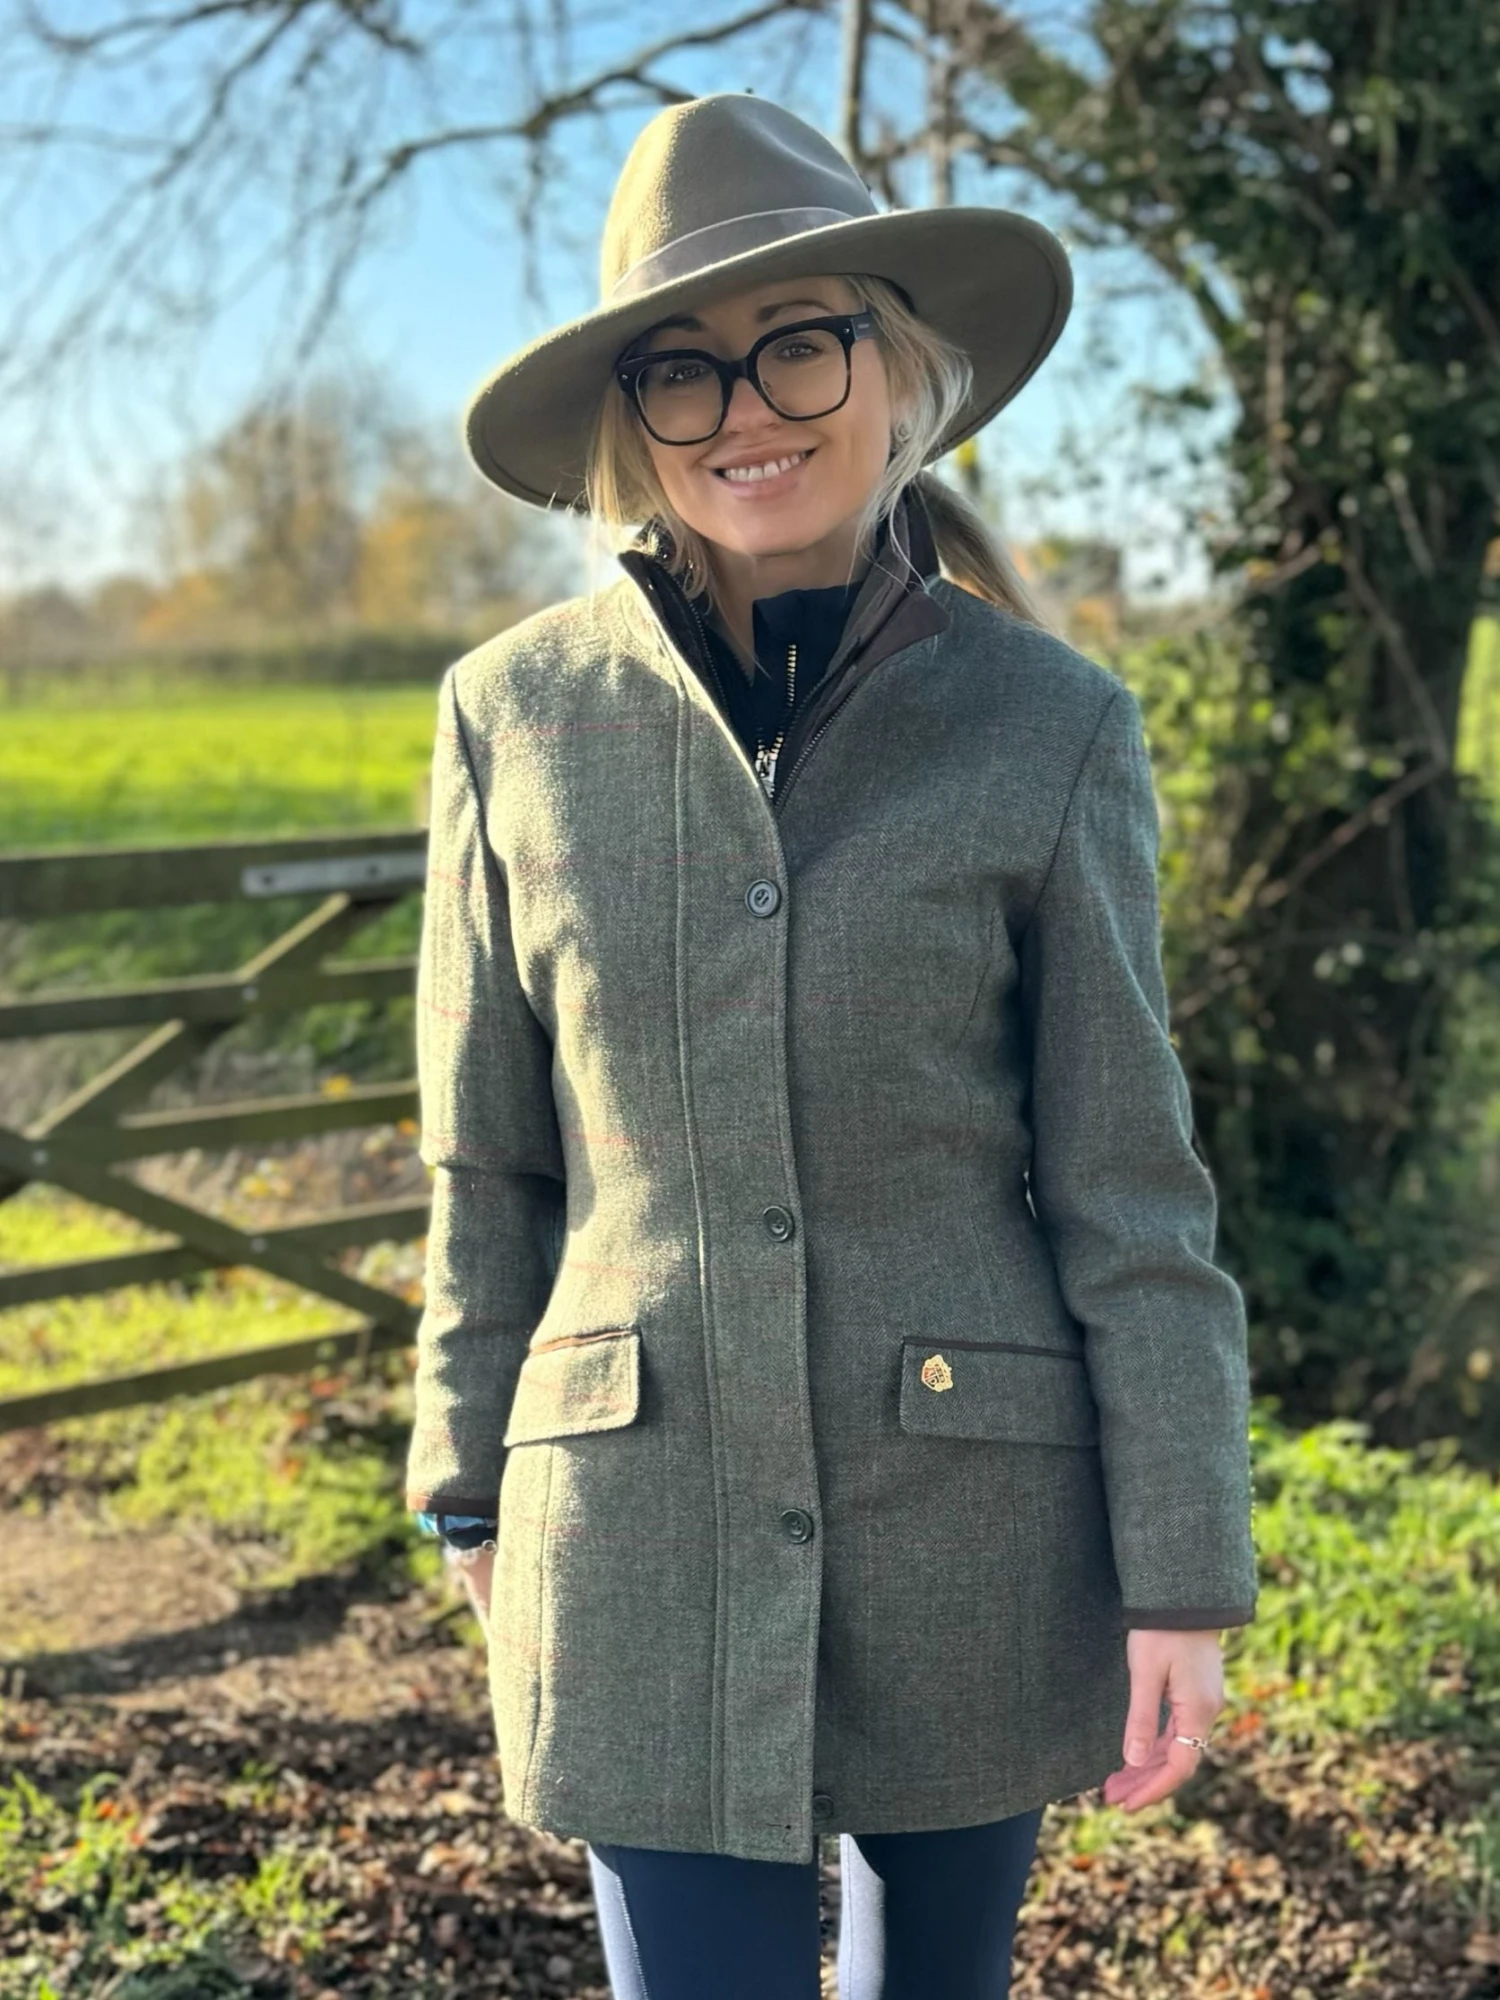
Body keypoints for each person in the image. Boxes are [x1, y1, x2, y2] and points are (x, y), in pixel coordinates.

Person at [405, 90, 1259, 2000]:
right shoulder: (511, 717)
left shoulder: (1050, 723)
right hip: (627, 1515)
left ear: (898, 366)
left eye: (801, 340)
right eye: (683, 368)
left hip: (975, 1518)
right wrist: (466, 1473)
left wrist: (1185, 1564)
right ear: (631, 418)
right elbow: (487, 1146)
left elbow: (1129, 1185)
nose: (747, 409)